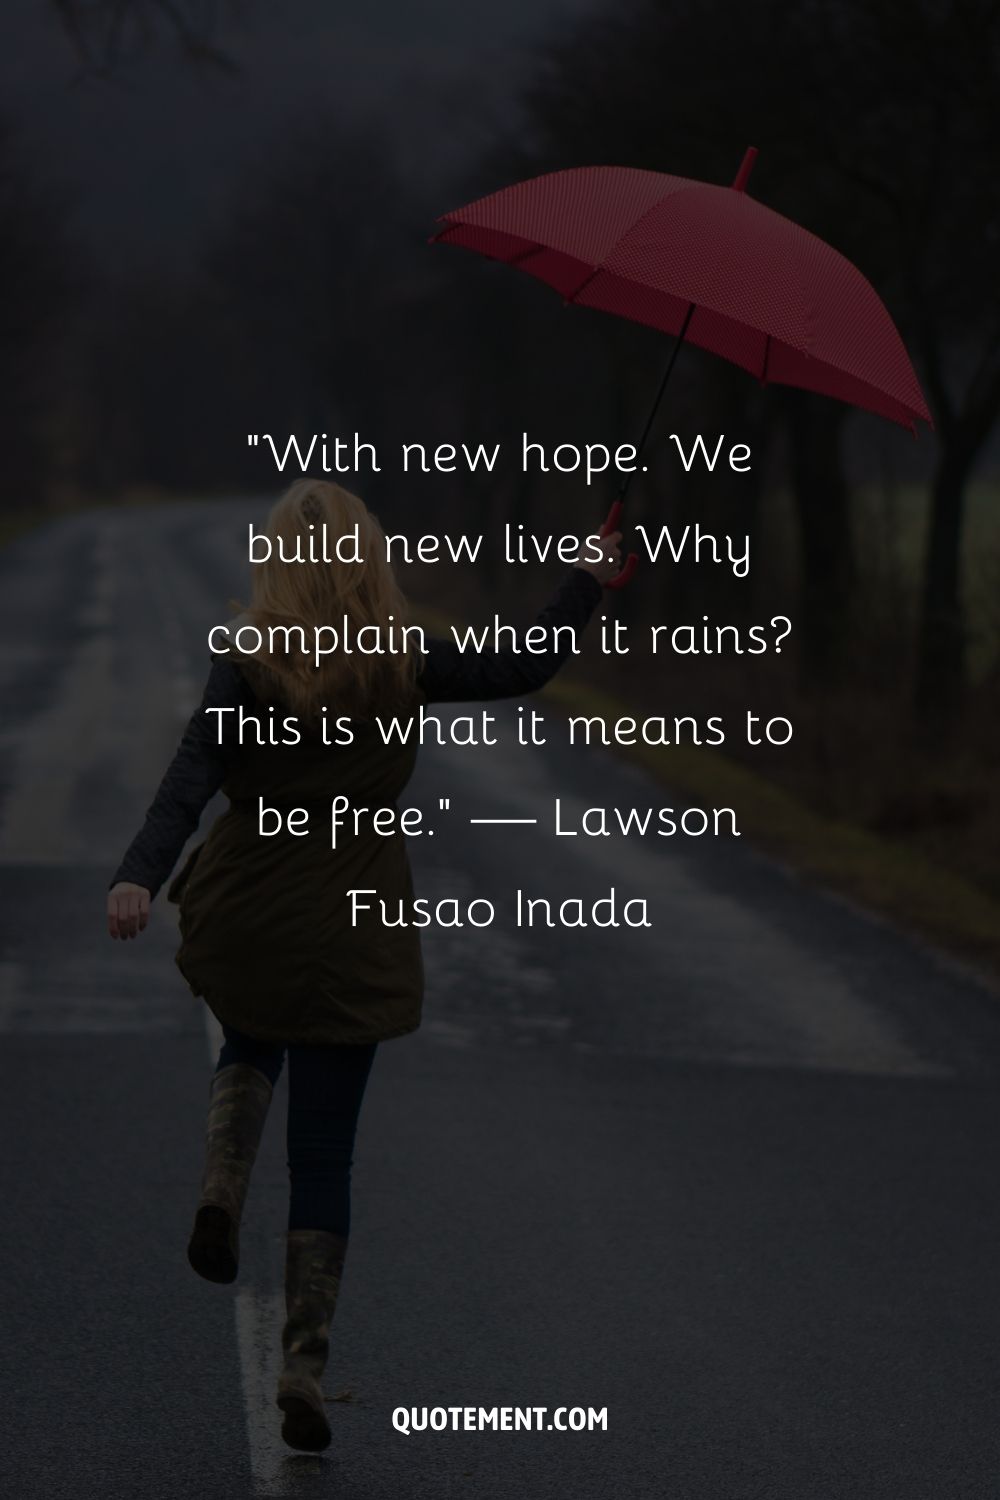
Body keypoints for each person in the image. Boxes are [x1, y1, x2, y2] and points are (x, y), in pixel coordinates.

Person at [107, 478, 620, 1452]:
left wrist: (137, 877)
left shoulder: (245, 662)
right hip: (355, 926)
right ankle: (302, 1362)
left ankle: (221, 1178)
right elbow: (523, 665)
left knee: (251, 1029)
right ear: (367, 562)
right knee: (326, 1156)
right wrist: (583, 583)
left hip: (251, 907)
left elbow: (186, 784)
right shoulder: (403, 659)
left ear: (276, 565)